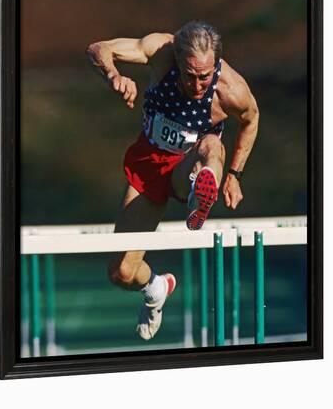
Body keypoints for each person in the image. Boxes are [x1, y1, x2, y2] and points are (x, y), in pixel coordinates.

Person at [86, 21, 259, 340]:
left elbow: (251, 118)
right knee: (121, 272)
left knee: (211, 146)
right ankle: (156, 287)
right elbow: (100, 48)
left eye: (204, 76)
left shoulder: (231, 89)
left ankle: (200, 191)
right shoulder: (161, 51)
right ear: (177, 61)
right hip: (150, 163)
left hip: (190, 164)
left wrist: (234, 175)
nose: (197, 85)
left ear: (215, 65)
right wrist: (114, 76)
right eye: (190, 75)